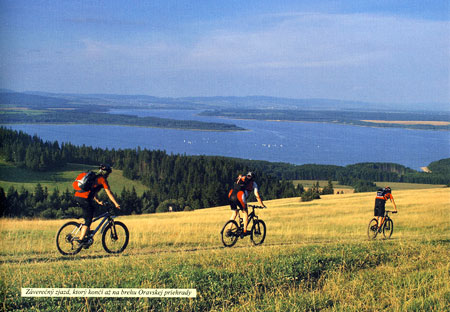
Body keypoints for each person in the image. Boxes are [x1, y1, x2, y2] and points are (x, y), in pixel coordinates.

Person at [73, 164, 120, 244]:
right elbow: (109, 193)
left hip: (77, 197)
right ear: (107, 173)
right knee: (88, 220)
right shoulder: (102, 180)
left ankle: (85, 232)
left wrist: (98, 201)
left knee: (91, 211)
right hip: (85, 199)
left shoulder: (93, 178)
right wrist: (116, 203)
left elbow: (93, 192)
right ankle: (81, 240)